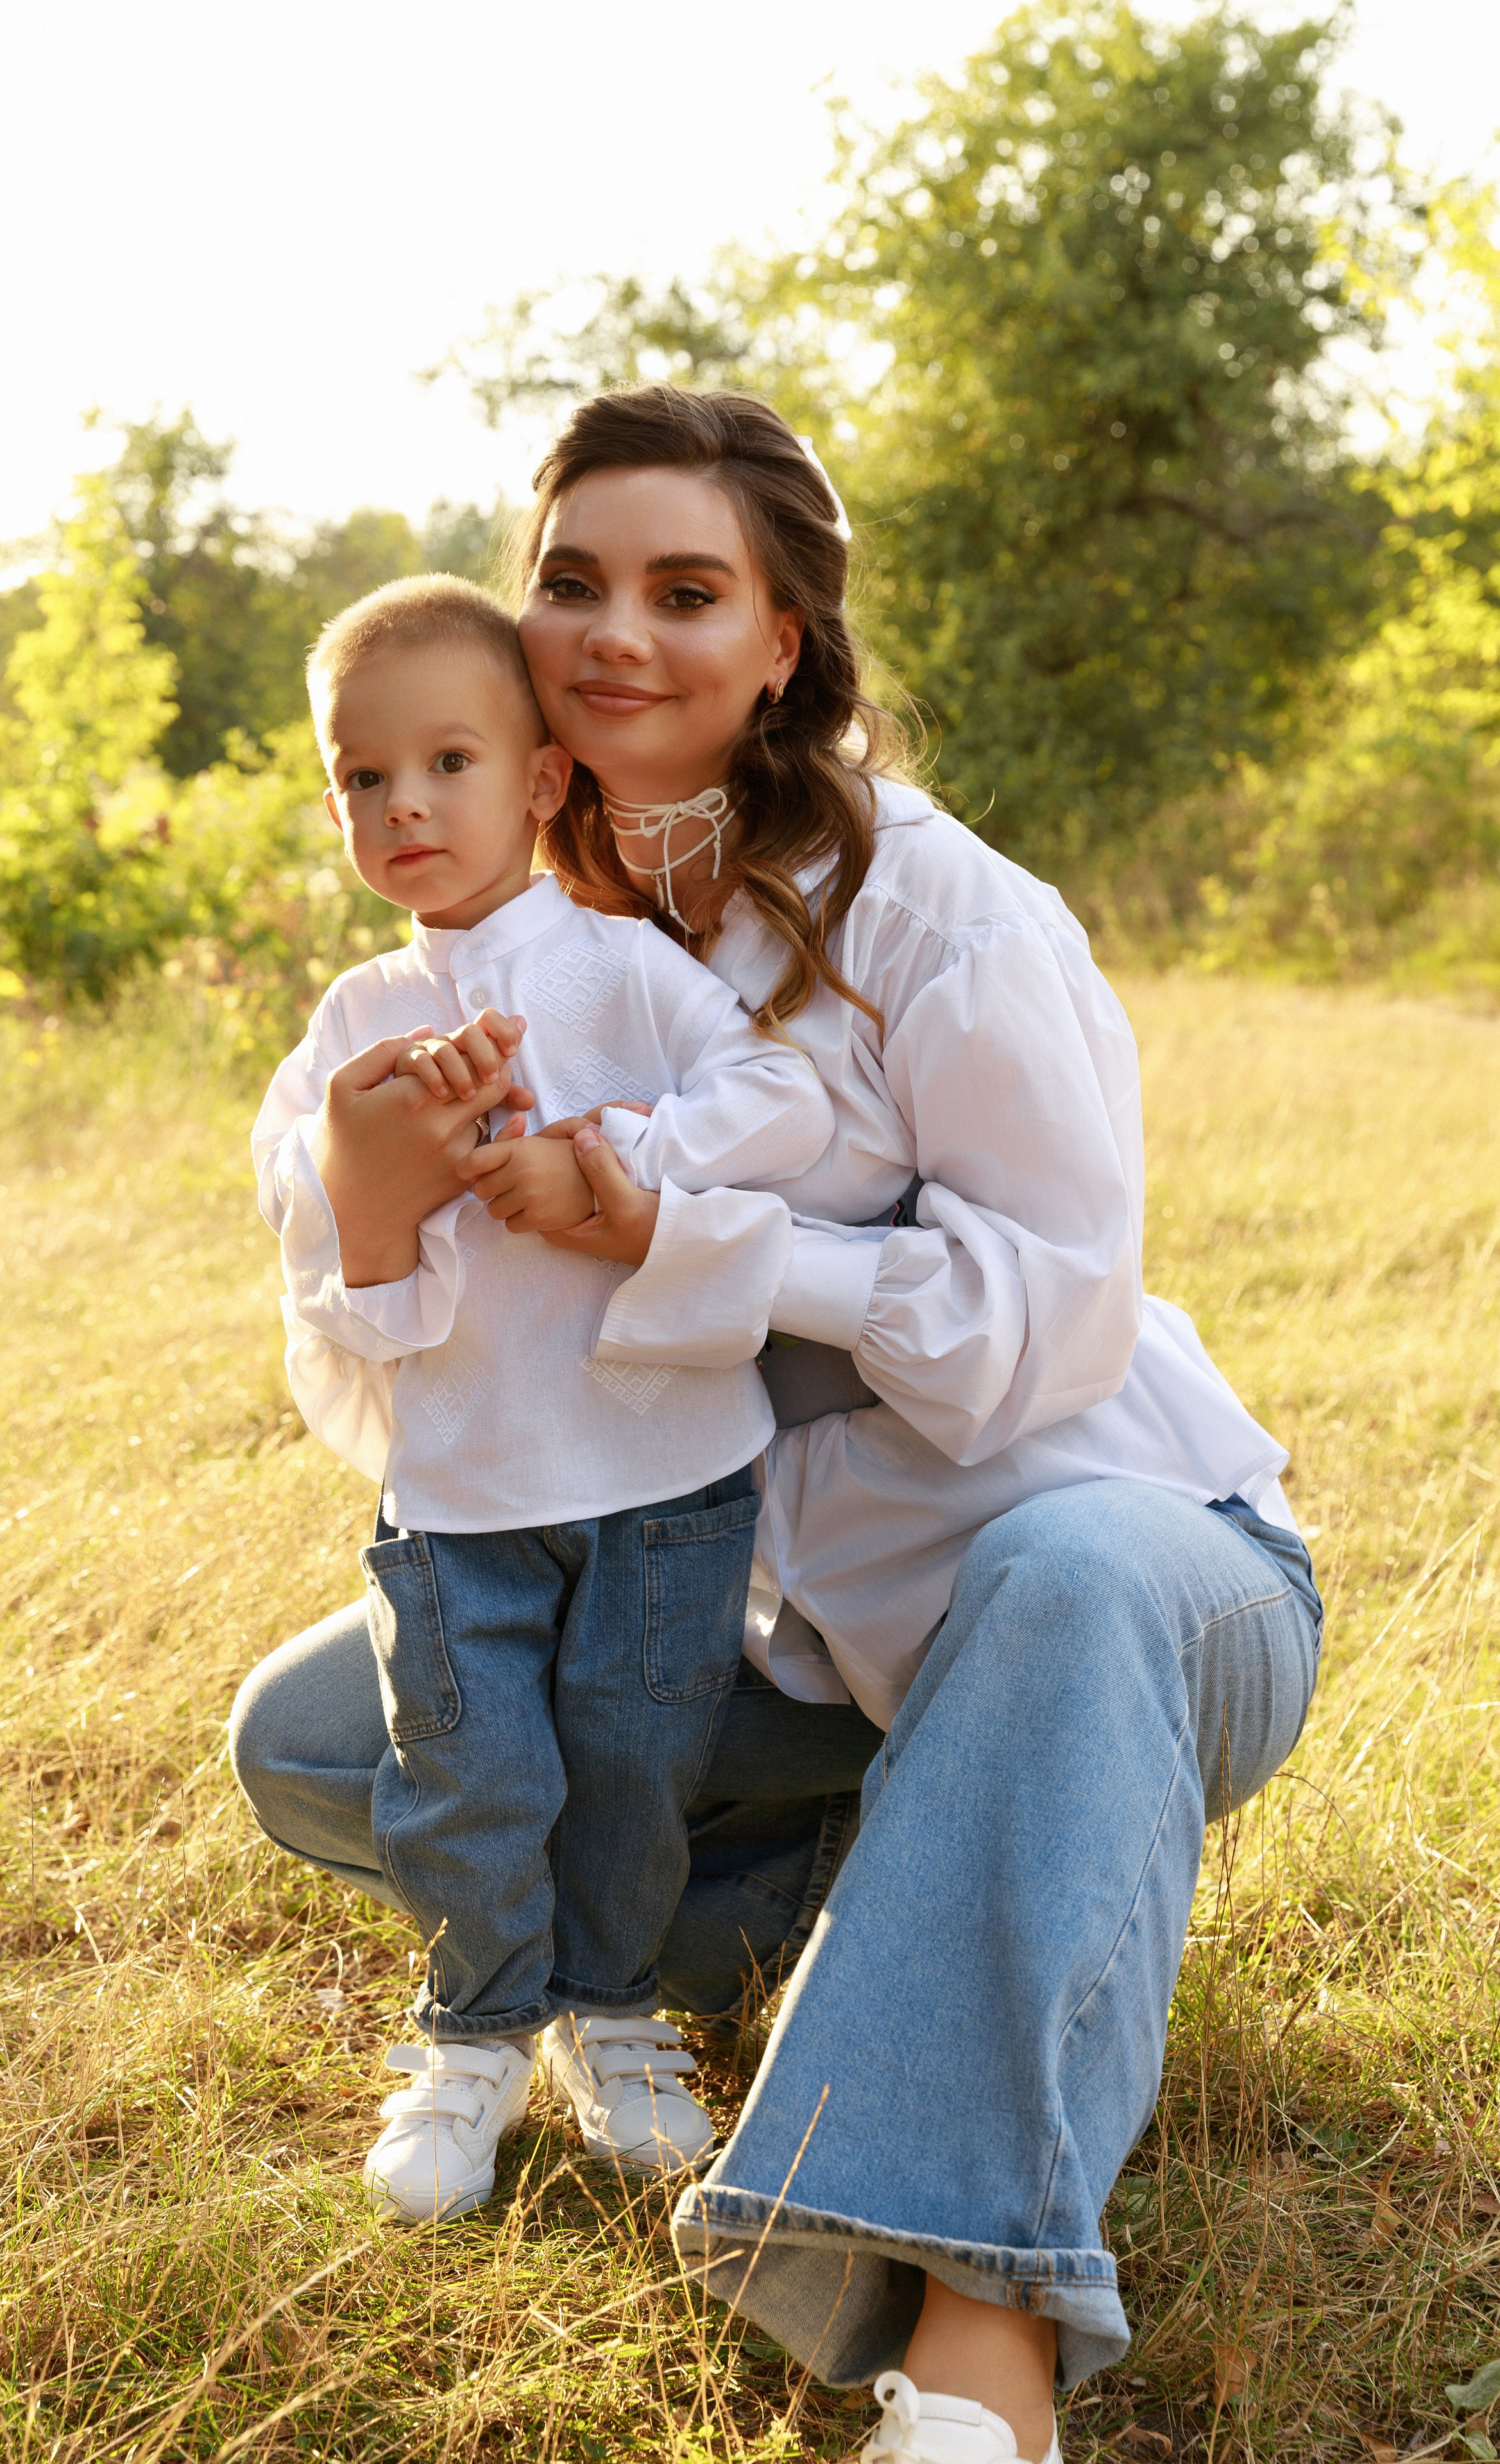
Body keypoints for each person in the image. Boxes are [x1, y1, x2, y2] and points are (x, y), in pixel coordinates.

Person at [231, 391, 1322, 2464]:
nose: (616, 630)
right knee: (312, 1740)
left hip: (1137, 1575)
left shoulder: (939, 913)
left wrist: (703, 1237)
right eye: (572, 583)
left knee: (1066, 1566)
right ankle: (937, 1891)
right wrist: (377, 1204)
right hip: (770, 1634)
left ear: (785, 643)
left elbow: (1057, 1332)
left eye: (686, 590)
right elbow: (411, 1401)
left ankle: (976, 2353)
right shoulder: (512, 921)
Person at [251, 572, 835, 2224]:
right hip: (461, 1494)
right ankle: (475, 2028)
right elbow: (335, 1282)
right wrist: (377, 1190)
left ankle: (615, 2006)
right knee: (468, 1770)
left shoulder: (623, 971)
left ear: (541, 779)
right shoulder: (354, 1025)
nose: (402, 804)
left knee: (636, 1758)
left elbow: (775, 1098)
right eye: (362, 778)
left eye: (446, 761)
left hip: (661, 1478)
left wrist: (611, 1156)